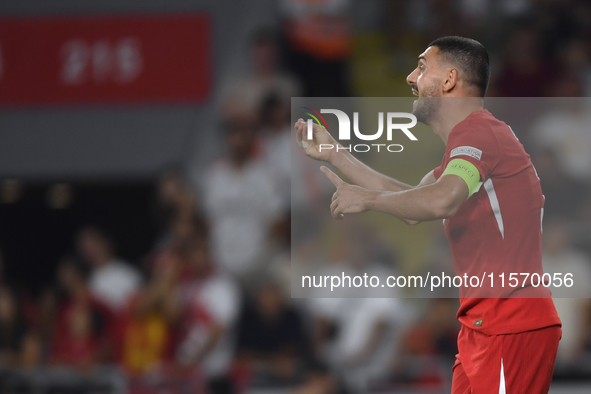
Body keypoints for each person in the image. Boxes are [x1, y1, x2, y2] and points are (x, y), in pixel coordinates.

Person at [294, 36, 561, 393]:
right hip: (483, 328)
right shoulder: (468, 149)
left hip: (510, 325)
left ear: (449, 80)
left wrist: (367, 199)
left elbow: (440, 202)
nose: (409, 77)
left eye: (421, 67)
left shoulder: (481, 134)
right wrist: (336, 155)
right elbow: (413, 207)